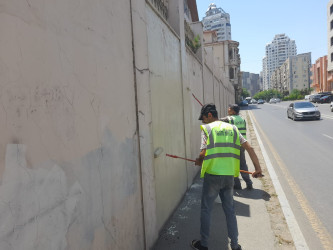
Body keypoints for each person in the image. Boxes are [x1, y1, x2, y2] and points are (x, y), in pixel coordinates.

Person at [191, 103, 263, 250]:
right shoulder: (233, 128)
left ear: (209, 115)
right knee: (230, 210)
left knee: (206, 209)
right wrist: (258, 168)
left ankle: (204, 245)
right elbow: (249, 147)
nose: (203, 122)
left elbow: (203, 153)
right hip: (229, 176)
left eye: (204, 118)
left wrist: (198, 161)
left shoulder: (208, 128)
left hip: (213, 176)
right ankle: (235, 245)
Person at [220, 104, 253, 190]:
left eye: (229, 109)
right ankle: (249, 183)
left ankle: (237, 185)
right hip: (242, 144)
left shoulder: (229, 119)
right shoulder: (242, 119)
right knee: (242, 163)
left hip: (233, 145)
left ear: (233, 111)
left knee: (233, 165)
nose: (228, 109)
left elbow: (218, 121)